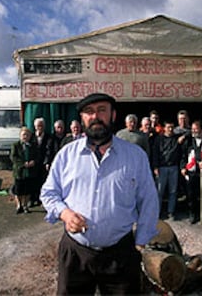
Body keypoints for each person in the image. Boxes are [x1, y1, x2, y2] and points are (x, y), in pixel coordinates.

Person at [40, 93, 159, 295]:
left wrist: (140, 241)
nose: (95, 116)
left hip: (120, 254)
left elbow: (149, 199)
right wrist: (65, 214)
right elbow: (49, 193)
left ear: (113, 115)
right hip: (75, 253)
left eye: (102, 110)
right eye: (89, 112)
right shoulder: (66, 155)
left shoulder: (135, 156)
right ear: (81, 119)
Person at [180, 120, 202, 224]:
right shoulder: (189, 141)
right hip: (192, 171)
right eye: (193, 129)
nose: (194, 131)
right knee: (191, 194)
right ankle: (192, 214)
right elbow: (183, 156)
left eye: (196, 129)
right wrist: (183, 167)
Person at [152, 121, 182, 220]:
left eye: (172, 127)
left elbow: (189, 132)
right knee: (159, 191)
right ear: (164, 128)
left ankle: (171, 212)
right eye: (168, 127)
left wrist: (183, 137)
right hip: (162, 167)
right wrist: (155, 167)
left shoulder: (176, 138)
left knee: (173, 191)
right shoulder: (159, 139)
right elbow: (155, 153)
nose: (170, 129)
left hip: (173, 167)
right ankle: (157, 212)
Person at [10, 127, 39, 214]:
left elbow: (37, 156)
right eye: (23, 135)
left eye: (27, 135)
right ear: (20, 136)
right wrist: (23, 164)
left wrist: (33, 162)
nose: (25, 137)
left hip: (30, 171)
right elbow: (13, 157)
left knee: (27, 190)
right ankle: (19, 205)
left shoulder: (33, 146)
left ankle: (25, 205)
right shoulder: (16, 145)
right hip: (19, 171)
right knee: (18, 190)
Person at [30, 117, 51, 207]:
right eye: (38, 126)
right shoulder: (31, 137)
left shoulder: (48, 137)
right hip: (33, 163)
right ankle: (32, 199)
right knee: (33, 181)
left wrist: (47, 162)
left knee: (42, 182)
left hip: (43, 163)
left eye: (41, 126)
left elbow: (49, 150)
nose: (40, 127)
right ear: (35, 127)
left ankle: (41, 199)